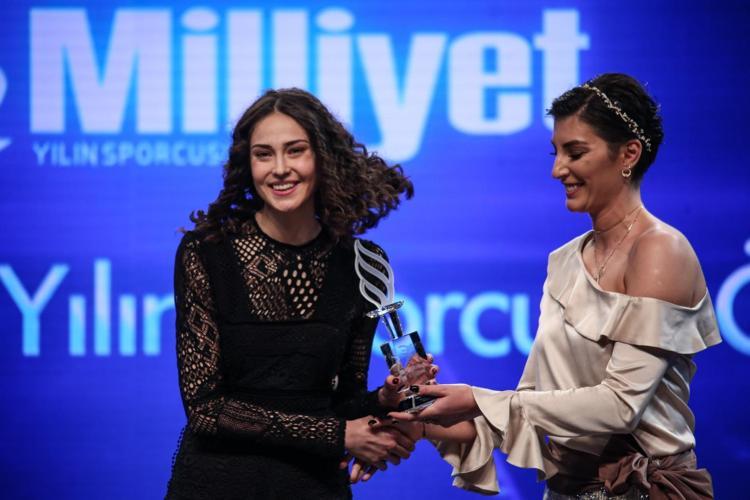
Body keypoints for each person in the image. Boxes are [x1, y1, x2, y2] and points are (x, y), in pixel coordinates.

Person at [392, 73, 722, 499]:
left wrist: (477, 399)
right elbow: (534, 407)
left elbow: (620, 406)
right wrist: (423, 419)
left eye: (575, 152)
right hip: (565, 489)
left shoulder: (659, 250)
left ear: (629, 153)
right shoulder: (563, 261)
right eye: (556, 152)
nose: (557, 169)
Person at [166, 87, 422, 499]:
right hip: (216, 486)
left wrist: (382, 401)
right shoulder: (206, 251)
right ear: (247, 165)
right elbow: (206, 410)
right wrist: (340, 434)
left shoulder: (363, 262)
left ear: (323, 158)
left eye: (296, 151)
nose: (280, 169)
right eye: (263, 154)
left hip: (315, 487)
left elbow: (343, 402)